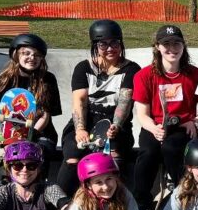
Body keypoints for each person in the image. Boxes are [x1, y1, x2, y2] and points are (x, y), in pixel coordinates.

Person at [0, 33, 62, 205]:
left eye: (37, 55)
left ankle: (37, 205)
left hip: (41, 134)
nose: (32, 58)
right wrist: (0, 138)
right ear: (16, 54)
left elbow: (45, 116)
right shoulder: (4, 80)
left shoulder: (47, 79)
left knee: (34, 155)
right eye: (27, 53)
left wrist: (30, 135)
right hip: (6, 134)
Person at [56, 20, 141, 198]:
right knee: (73, 155)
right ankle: (60, 203)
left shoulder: (131, 69)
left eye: (115, 43)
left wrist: (116, 126)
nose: (110, 48)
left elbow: (125, 102)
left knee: (113, 155)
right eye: (103, 44)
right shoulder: (84, 68)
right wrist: (80, 129)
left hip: (117, 124)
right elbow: (79, 100)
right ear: (95, 45)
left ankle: (118, 202)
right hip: (85, 121)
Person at [131, 25, 198, 210]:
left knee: (173, 149)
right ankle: (141, 205)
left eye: (176, 43)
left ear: (183, 45)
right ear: (157, 47)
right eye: (166, 44)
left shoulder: (195, 75)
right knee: (148, 153)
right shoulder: (144, 75)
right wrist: (154, 128)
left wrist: (194, 122)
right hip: (154, 126)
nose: (172, 48)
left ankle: (184, 199)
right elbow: (142, 114)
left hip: (183, 126)